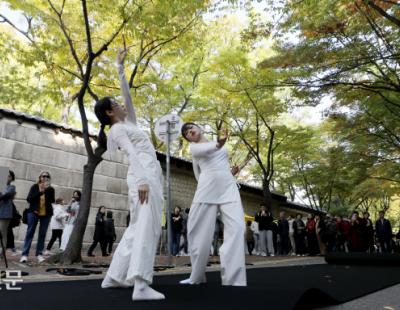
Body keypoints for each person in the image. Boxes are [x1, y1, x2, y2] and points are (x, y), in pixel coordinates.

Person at [96, 49, 165, 301]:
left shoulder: (129, 123)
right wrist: (144, 180)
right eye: (115, 103)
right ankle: (141, 284)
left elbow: (128, 97)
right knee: (147, 227)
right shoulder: (117, 131)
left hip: (147, 175)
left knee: (137, 228)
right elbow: (133, 155)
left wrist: (120, 68)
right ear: (109, 113)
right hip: (142, 176)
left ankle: (114, 276)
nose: (121, 103)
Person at [179, 123, 246, 286]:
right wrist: (219, 143)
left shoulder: (220, 146)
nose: (190, 132)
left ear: (199, 127)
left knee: (238, 228)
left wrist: (230, 172)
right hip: (206, 189)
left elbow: (219, 163)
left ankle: (234, 279)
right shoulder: (194, 148)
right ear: (188, 139)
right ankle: (197, 276)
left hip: (228, 188)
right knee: (197, 232)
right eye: (187, 133)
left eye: (192, 128)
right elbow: (209, 151)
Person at [20, 171, 55, 263]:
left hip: (46, 214)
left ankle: (39, 254)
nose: (45, 177)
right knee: (30, 232)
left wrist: (46, 190)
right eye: (43, 176)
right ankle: (24, 255)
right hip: (33, 212)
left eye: (47, 176)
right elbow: (29, 199)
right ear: (39, 177)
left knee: (42, 234)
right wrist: (40, 192)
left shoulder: (51, 189)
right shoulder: (34, 187)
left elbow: (52, 200)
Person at [0, 170, 16, 255]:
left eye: (9, 176)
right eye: (5, 175)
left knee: (2, 232)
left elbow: (5, 196)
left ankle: (2, 252)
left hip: (5, 213)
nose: (7, 177)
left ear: (12, 178)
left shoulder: (12, 187)